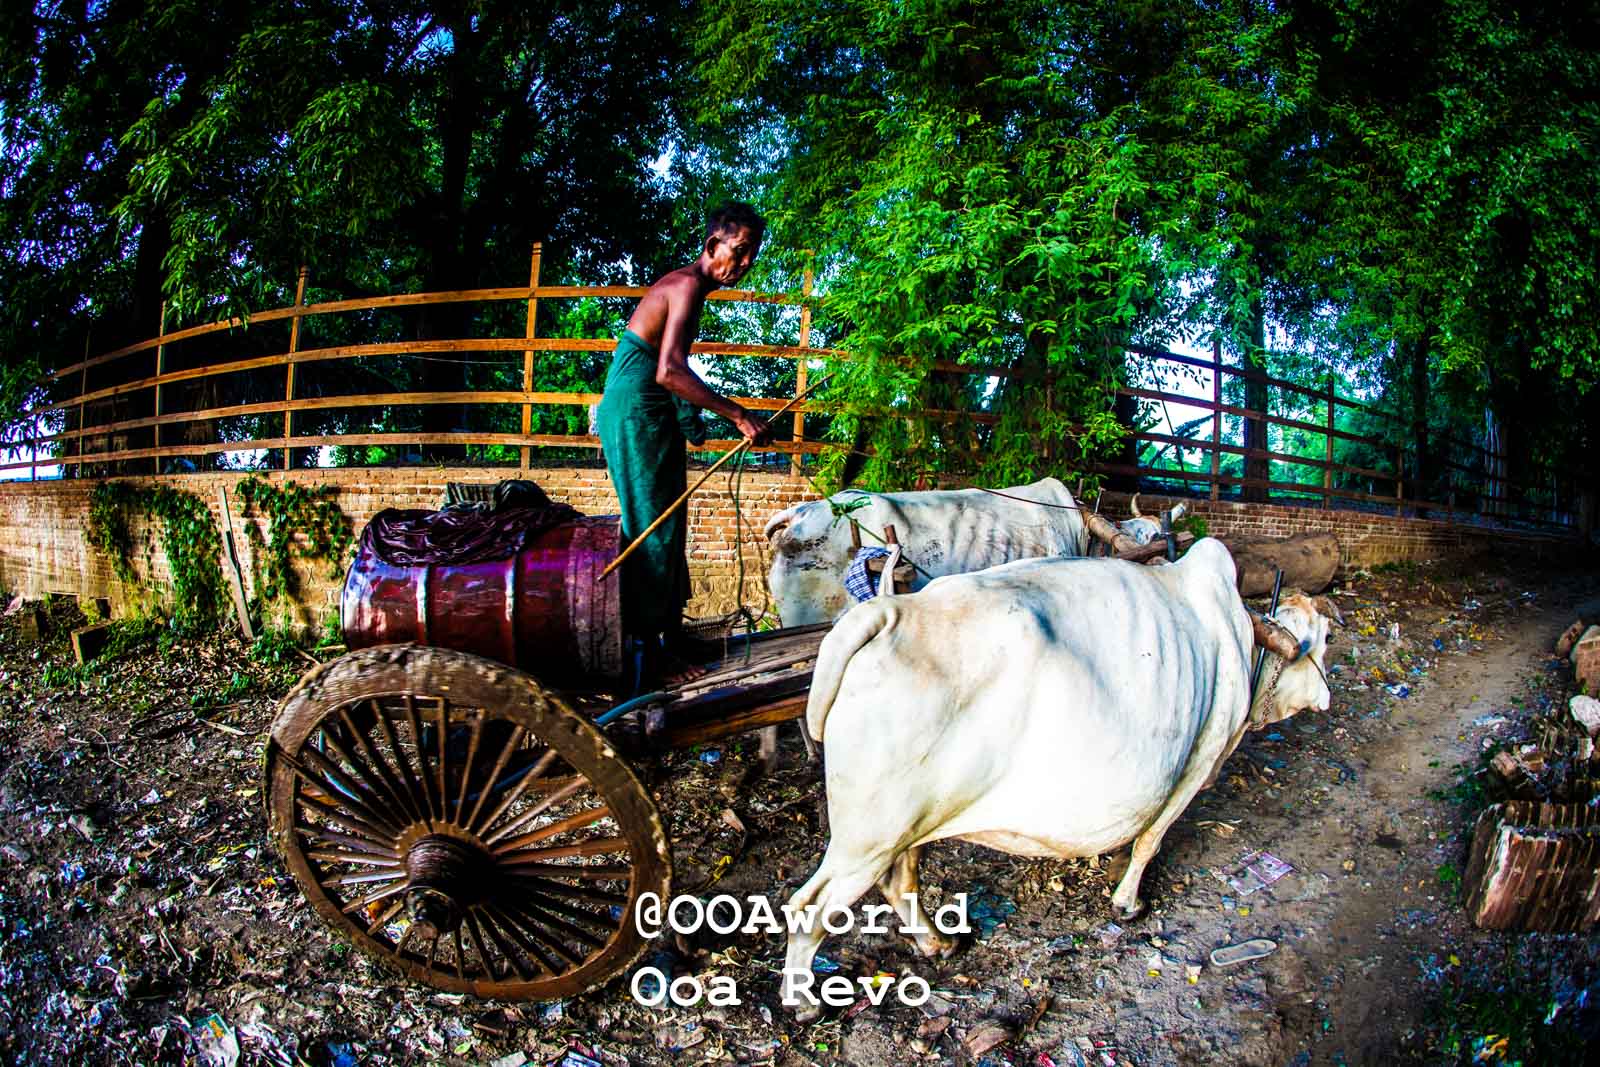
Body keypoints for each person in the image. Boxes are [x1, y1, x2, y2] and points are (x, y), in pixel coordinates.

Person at [597, 201, 774, 683]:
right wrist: (738, 415)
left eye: (751, 255)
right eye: (737, 252)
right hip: (636, 411)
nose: (743, 264)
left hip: (653, 410)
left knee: (671, 522)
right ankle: (649, 655)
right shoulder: (688, 285)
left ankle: (669, 636)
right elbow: (669, 371)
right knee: (652, 526)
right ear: (711, 245)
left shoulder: (692, 289)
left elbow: (670, 366)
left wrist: (689, 420)